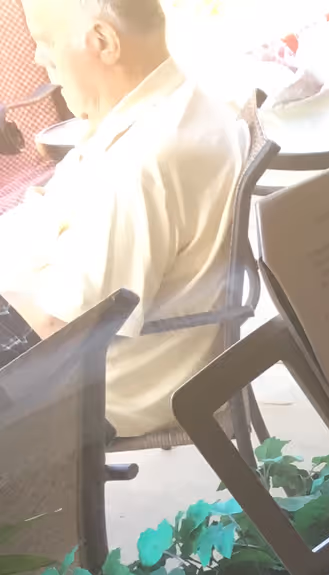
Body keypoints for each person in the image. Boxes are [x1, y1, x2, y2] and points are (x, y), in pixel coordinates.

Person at [0, 0, 246, 436]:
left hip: (100, 386)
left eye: (46, 41)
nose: (40, 58)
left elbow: (58, 323)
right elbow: (50, 211)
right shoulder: (172, 102)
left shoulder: (143, 162)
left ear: (104, 42)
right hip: (94, 345)